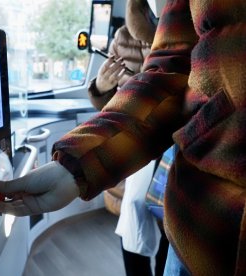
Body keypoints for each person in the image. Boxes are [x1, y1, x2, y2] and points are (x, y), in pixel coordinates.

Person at [0, 0, 246, 275]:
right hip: (203, 223)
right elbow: (168, 76)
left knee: (151, 220)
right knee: (134, 213)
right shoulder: (124, 36)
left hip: (175, 151)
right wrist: (75, 167)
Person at [88, 0, 168, 275]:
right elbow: (109, 106)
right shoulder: (123, 37)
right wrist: (101, 87)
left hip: (175, 149)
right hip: (134, 147)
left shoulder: (193, 30)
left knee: (171, 236)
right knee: (131, 231)